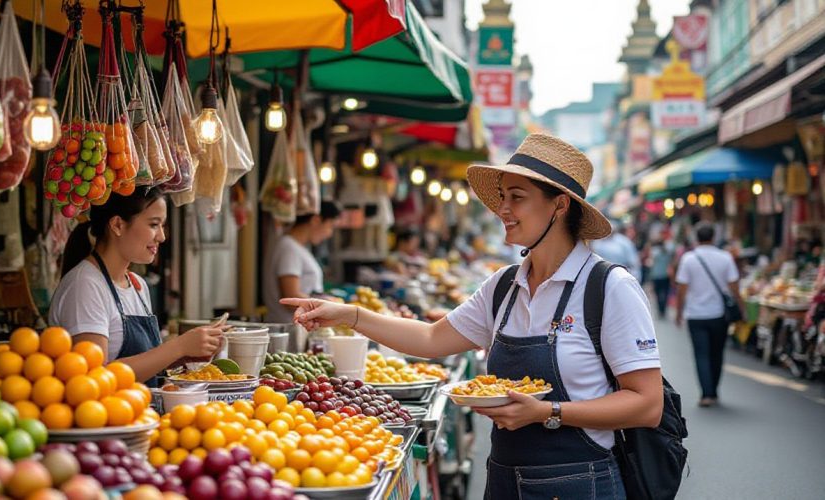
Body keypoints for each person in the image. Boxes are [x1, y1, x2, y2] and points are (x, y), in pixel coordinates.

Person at [282, 134, 663, 499]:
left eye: (517, 197)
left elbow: (647, 404)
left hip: (581, 482)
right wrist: (351, 315)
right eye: (502, 197)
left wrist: (547, 412)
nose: (503, 209)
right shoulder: (504, 287)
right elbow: (432, 339)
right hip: (503, 479)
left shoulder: (609, 288)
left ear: (560, 206)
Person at [50, 187, 228, 386]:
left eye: (163, 226)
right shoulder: (85, 286)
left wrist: (185, 356)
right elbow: (94, 378)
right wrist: (178, 347)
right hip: (102, 415)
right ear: (118, 225)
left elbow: (144, 365)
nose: (162, 237)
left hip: (141, 412)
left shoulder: (138, 285)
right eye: (154, 224)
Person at [674, 222, 742, 407]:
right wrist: (741, 308)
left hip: (695, 315)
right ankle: (714, 389)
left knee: (701, 354)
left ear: (697, 238)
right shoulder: (725, 257)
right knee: (717, 353)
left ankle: (706, 394)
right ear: (714, 237)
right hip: (718, 314)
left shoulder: (689, 259)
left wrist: (679, 312)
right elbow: (734, 286)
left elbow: (682, 289)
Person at [264, 200, 342, 323]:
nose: (329, 233)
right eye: (330, 226)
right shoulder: (289, 247)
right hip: (289, 328)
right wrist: (327, 304)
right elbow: (290, 298)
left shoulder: (297, 247)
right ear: (316, 220)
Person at [649, 233, 675, 319]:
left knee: (658, 293)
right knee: (665, 292)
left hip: (656, 275)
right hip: (665, 275)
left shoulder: (654, 251)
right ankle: (663, 309)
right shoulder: (667, 252)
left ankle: (660, 309)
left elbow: (651, 263)